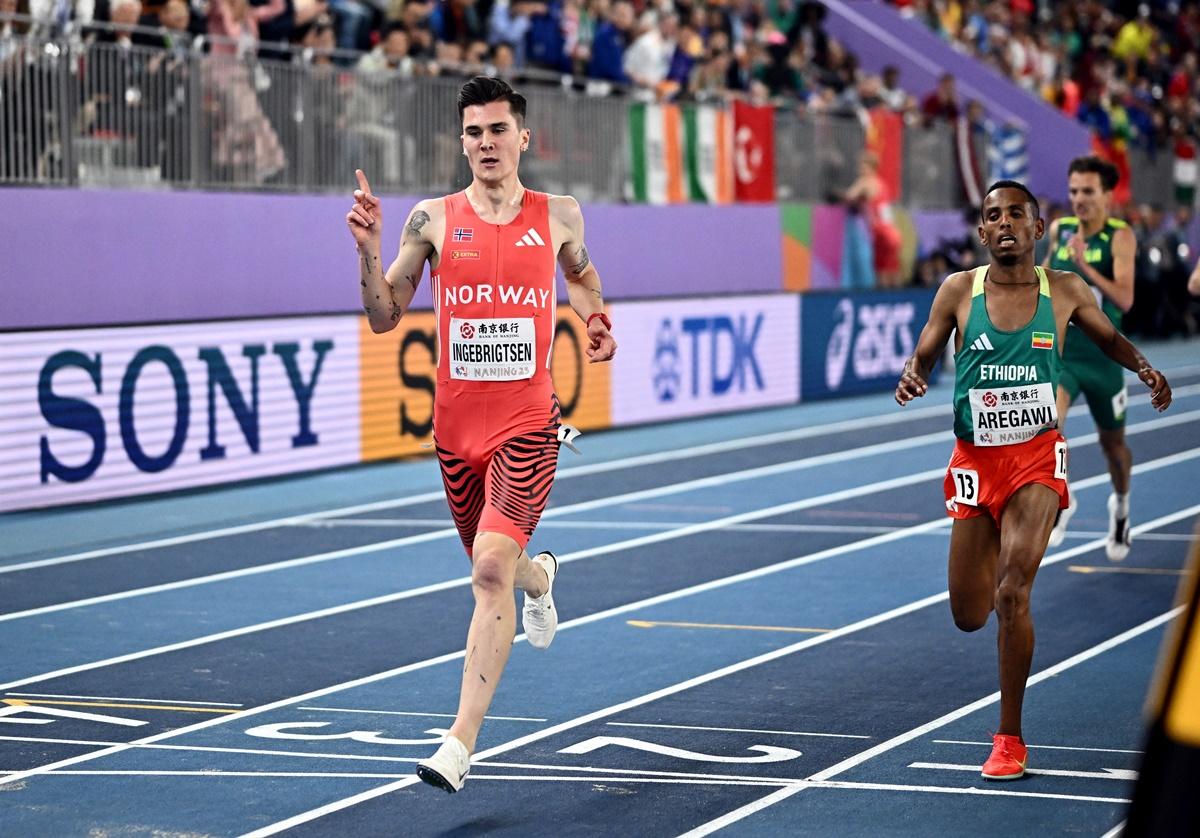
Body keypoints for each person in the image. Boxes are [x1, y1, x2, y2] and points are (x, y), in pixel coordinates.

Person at [345, 75, 617, 793]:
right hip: (455, 431)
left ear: (523, 137)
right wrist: (369, 250)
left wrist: (594, 319)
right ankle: (542, 577)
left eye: (498, 130)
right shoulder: (430, 221)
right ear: (460, 142)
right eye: (473, 132)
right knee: (500, 568)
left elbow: (583, 278)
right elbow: (382, 314)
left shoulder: (558, 214)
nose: (486, 143)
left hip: (529, 423)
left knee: (488, 571)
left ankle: (459, 743)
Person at [895, 180, 1171, 781]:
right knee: (970, 613)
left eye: (1015, 214)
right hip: (974, 462)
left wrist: (1145, 367)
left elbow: (1108, 336)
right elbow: (923, 352)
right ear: (982, 232)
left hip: (1036, 461)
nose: (1003, 224)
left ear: (1038, 228)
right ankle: (993, 561)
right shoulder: (957, 291)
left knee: (1012, 593)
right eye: (992, 216)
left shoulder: (1065, 291)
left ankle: (1009, 737)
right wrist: (913, 374)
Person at [1042, 156, 1137, 558]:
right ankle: (1064, 500)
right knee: (1047, 429)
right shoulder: (1061, 230)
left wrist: (1082, 267)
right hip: (1064, 355)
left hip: (1104, 359)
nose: (1079, 199)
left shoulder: (1120, 236)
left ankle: (1121, 506)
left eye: (1087, 191)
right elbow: (1043, 280)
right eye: (1074, 190)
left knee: (1113, 448)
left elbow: (1124, 299)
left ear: (1106, 195)